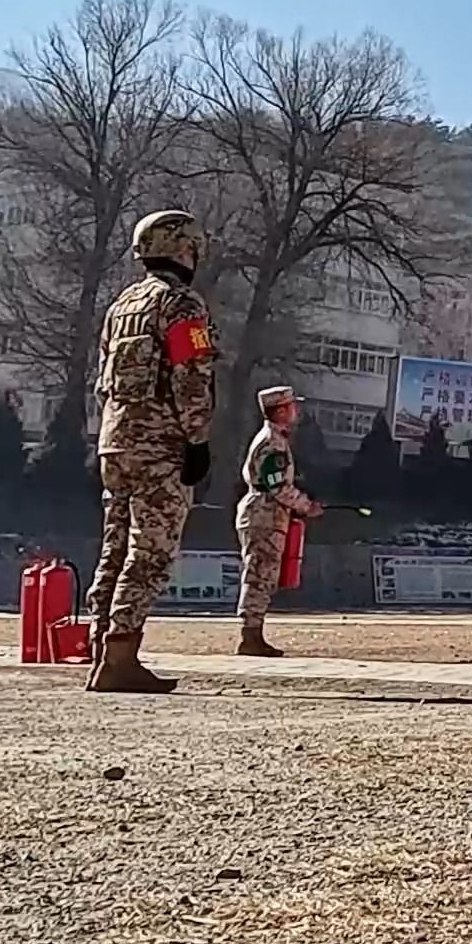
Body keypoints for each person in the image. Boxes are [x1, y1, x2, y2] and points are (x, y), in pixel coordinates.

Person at [82, 209, 217, 694]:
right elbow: (192, 375)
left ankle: (101, 649)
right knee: (151, 552)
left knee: (114, 548)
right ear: (186, 248)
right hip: (161, 446)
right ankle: (121, 657)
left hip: (115, 443)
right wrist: (197, 439)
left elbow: (102, 382)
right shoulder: (183, 305)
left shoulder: (122, 305)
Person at [233, 385, 322, 657]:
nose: (297, 411)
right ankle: (250, 636)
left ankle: (252, 634)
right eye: (292, 406)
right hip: (264, 514)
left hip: (266, 512)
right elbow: (278, 487)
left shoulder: (274, 439)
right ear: (282, 411)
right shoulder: (273, 442)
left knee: (263, 574)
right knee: (259, 574)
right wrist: (306, 505)